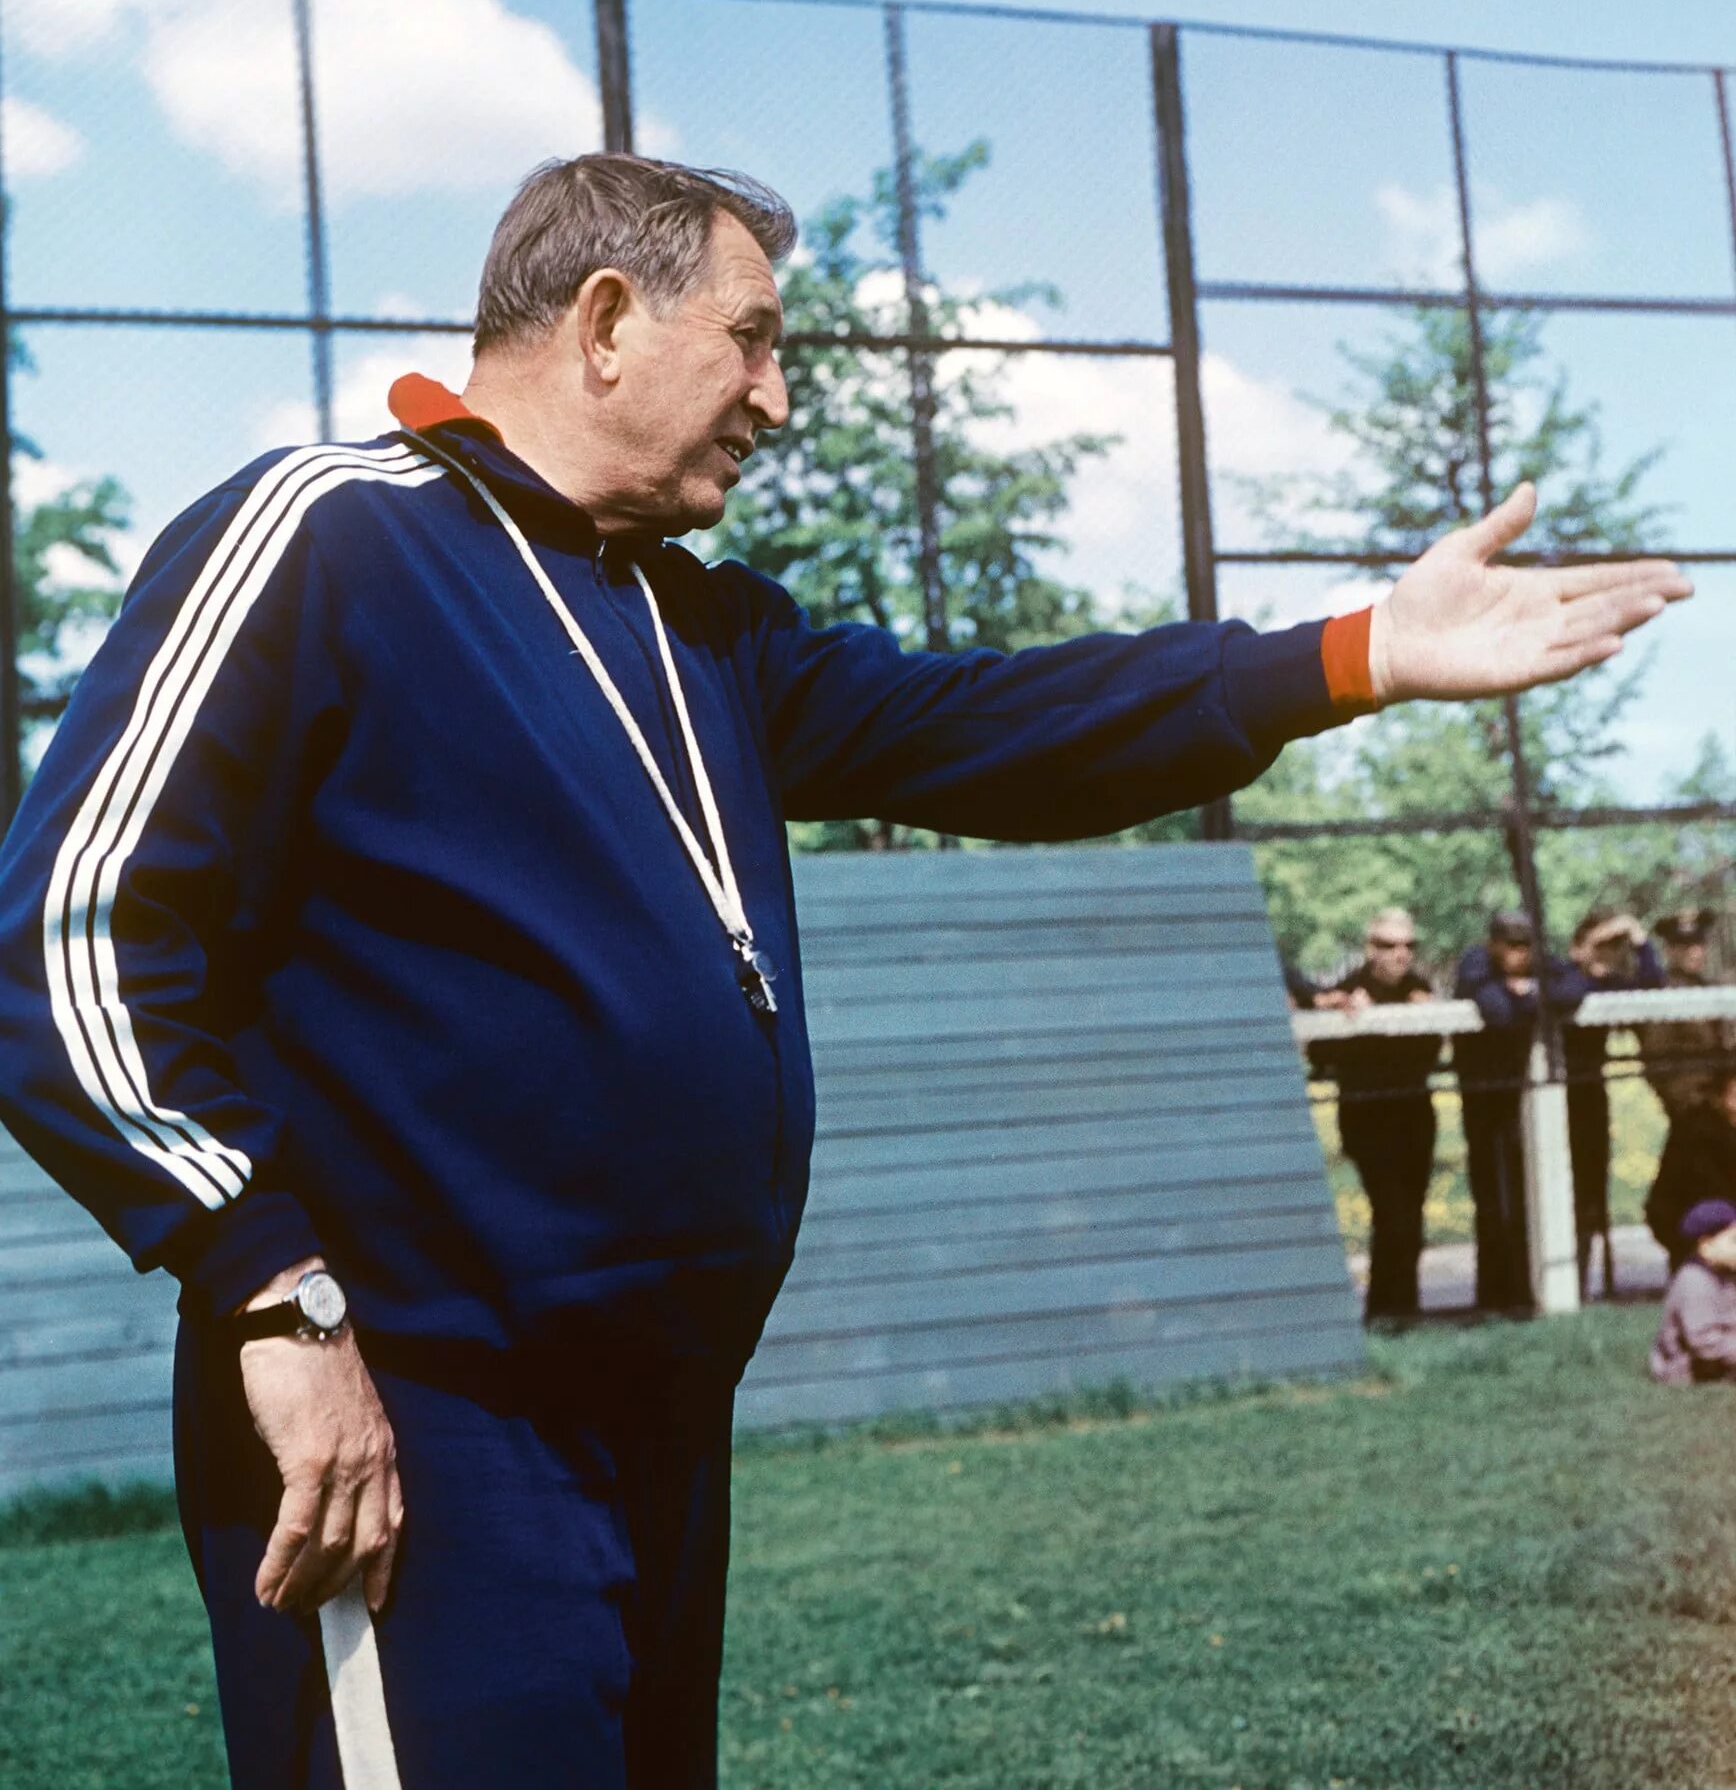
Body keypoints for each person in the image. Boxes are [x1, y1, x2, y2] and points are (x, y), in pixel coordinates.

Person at [0, 152, 1689, 1790]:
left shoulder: (697, 624)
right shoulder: (323, 536)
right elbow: (70, 934)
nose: (777, 396)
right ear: (604, 320)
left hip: (657, 1433)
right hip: (419, 1428)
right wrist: (272, 1294)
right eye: (750, 338)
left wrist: (1358, 656)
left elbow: (995, 730)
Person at [1453, 911, 1589, 1312]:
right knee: (1495, 1201)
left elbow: (1574, 989)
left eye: (1527, 945)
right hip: (1486, 1102)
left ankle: (1527, 1294)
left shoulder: (1540, 963)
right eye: (1512, 945)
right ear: (1494, 944)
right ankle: (1495, 1299)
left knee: (1531, 1194)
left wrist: (1526, 995)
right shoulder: (1475, 962)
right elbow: (1495, 1010)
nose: (1521, 954)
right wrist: (1530, 998)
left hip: (1522, 1101)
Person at [1309, 910, 1439, 1323]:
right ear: (1370, 949)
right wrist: (1351, 1024)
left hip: (1414, 1118)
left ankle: (1403, 1308)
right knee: (1391, 1214)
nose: (1400, 954)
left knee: (1410, 1217)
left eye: (1408, 946)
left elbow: (1431, 1051)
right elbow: (1320, 1055)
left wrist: (1426, 1017)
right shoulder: (1348, 990)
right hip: (1369, 1121)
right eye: (1389, 945)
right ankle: (1385, 1311)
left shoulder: (1421, 990)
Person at [1561, 909, 1664, 1296]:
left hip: (1589, 1097)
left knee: (1592, 1192)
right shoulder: (1564, 978)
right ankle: (1563, 1285)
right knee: (1563, 1194)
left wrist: (1639, 936)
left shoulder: (1610, 986)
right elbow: (1566, 992)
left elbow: (1653, 988)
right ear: (1578, 949)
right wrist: (1585, 957)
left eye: (1613, 947)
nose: (1606, 955)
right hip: (1554, 1100)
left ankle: (1588, 1283)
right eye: (1599, 946)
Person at [1641, 907, 1733, 1128]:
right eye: (1685, 946)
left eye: (1699, 944)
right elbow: (1657, 1061)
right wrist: (1694, 1103)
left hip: (1722, 1108)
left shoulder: (1711, 990)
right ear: (1670, 950)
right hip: (1693, 1113)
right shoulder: (1665, 997)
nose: (1695, 952)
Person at [1645, 1062, 1736, 1271]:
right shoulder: (1692, 1139)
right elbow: (1661, 1208)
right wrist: (1698, 1249)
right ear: (1723, 1095)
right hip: (1702, 1264)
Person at [1649, 1199, 1736, 1385]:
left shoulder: (1726, 1273)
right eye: (1733, 1241)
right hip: (1689, 1368)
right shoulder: (1694, 1280)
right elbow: (1705, 1344)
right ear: (1706, 1246)